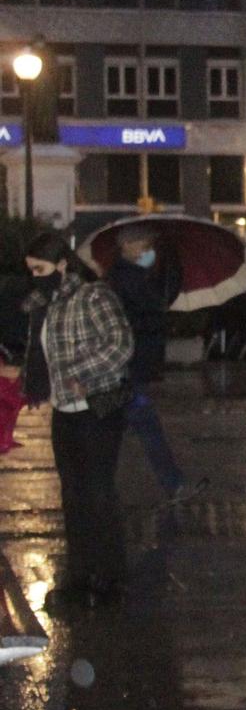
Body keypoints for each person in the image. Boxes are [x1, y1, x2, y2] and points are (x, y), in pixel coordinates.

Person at [11, 232, 135, 604]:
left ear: (63, 265)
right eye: (30, 270)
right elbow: (43, 356)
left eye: (41, 268)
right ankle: (80, 576)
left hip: (99, 408)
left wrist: (82, 375)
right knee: (73, 495)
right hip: (64, 409)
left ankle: (111, 577)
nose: (35, 276)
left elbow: (120, 344)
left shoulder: (92, 296)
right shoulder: (43, 304)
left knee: (98, 492)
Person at [106, 224, 203, 504]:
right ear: (128, 247)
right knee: (142, 424)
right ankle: (173, 485)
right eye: (144, 245)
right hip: (128, 367)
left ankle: (96, 485)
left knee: (114, 426)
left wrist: (171, 256)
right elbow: (155, 305)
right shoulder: (125, 279)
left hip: (132, 367)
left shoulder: (134, 276)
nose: (149, 251)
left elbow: (162, 296)